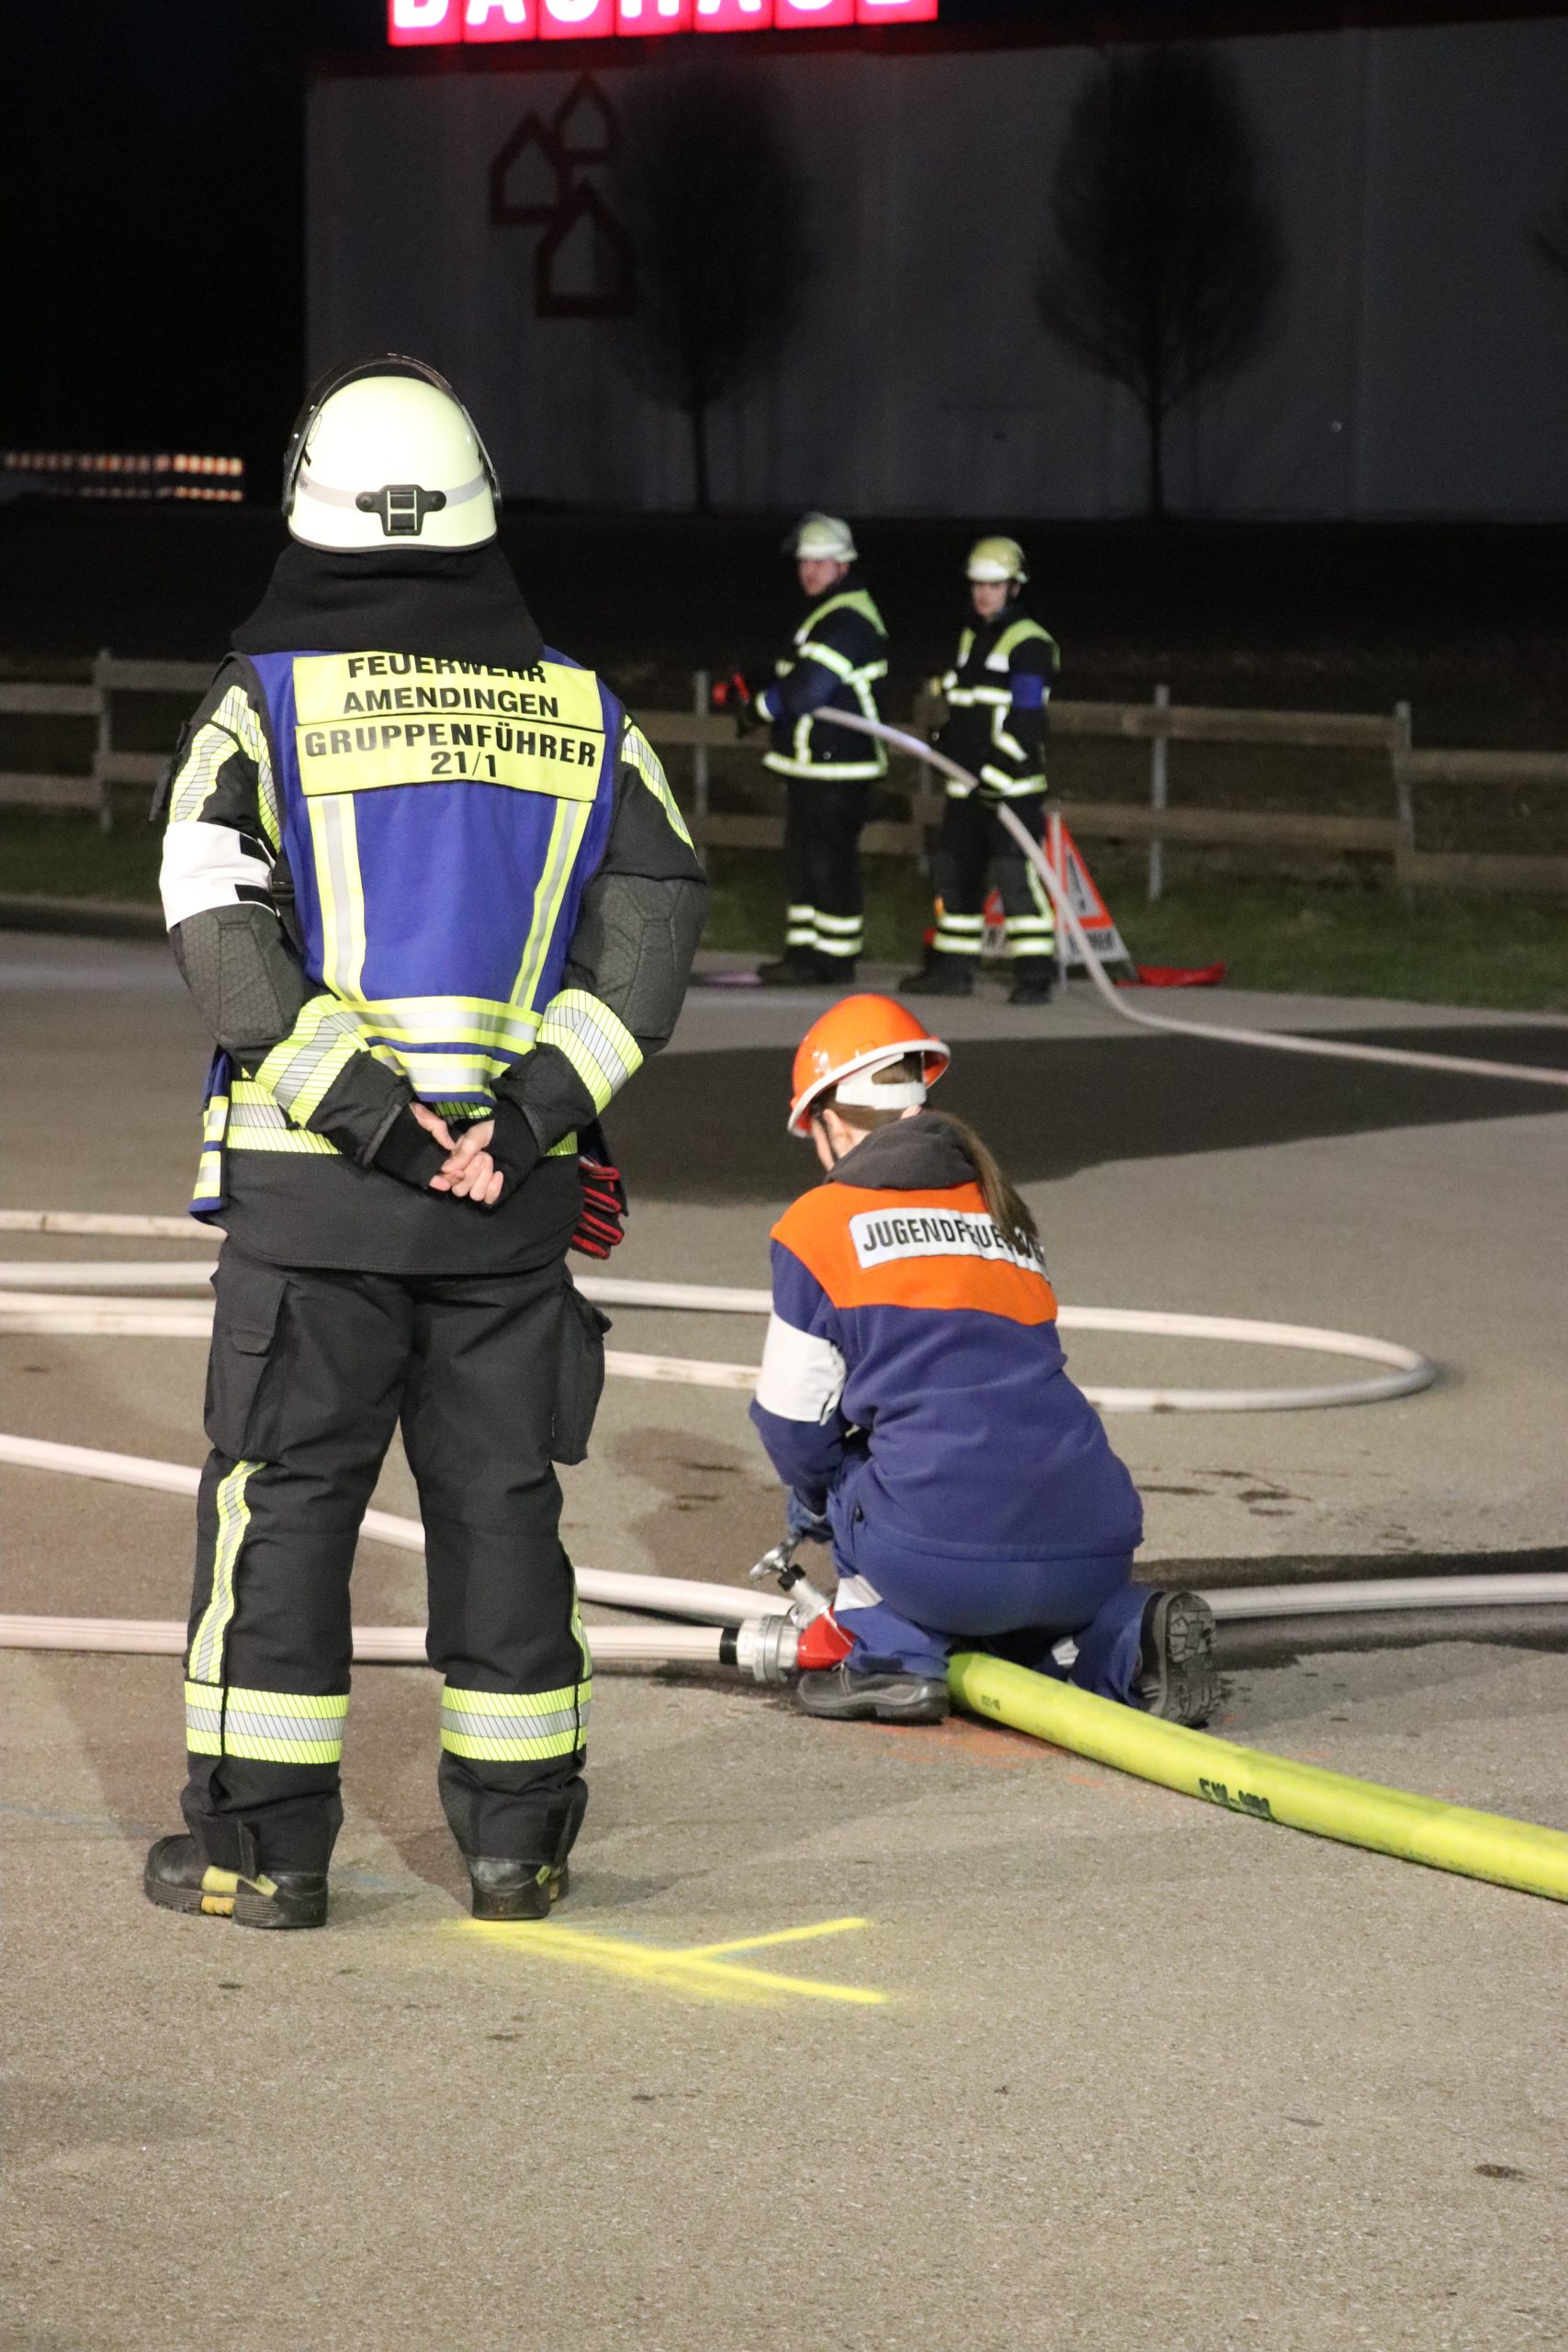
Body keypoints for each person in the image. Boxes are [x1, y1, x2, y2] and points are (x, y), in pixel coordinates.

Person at [142, 354, 706, 1930]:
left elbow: (218, 933)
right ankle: (519, 1850)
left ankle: (261, 1857)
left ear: (306, 505)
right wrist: (519, 1122)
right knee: (503, 1511)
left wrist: (383, 1126)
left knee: (284, 1511)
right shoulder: (585, 713)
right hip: (506, 1211)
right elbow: (651, 945)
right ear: (479, 512)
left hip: (318, 1202)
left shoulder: (262, 705)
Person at [750, 995, 1218, 1727]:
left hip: (942, 1559)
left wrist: (815, 1502)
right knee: (1016, 1584)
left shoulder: (816, 1225)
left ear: (830, 1121)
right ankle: (1127, 1636)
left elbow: (789, 1421)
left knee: (850, 1479)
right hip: (1091, 1545)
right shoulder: (1001, 1208)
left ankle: (889, 1657)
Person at [903, 535, 1059, 1005]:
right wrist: (948, 737)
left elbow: (1027, 720)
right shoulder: (972, 637)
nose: (983, 594)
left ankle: (1035, 976)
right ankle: (953, 970)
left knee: (1015, 880)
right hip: (965, 786)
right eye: (977, 585)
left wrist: (994, 777)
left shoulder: (1030, 644)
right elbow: (970, 704)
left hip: (1010, 788)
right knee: (955, 877)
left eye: (993, 586)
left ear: (1014, 587)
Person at [737, 513, 888, 987]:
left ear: (843, 566)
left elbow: (808, 690)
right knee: (803, 860)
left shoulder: (849, 620)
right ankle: (804, 952)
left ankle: (835, 959)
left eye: (820, 563)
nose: (809, 571)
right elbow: (796, 677)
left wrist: (757, 709)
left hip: (840, 765)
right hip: (814, 764)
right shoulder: (826, 614)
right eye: (805, 562)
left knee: (829, 862)